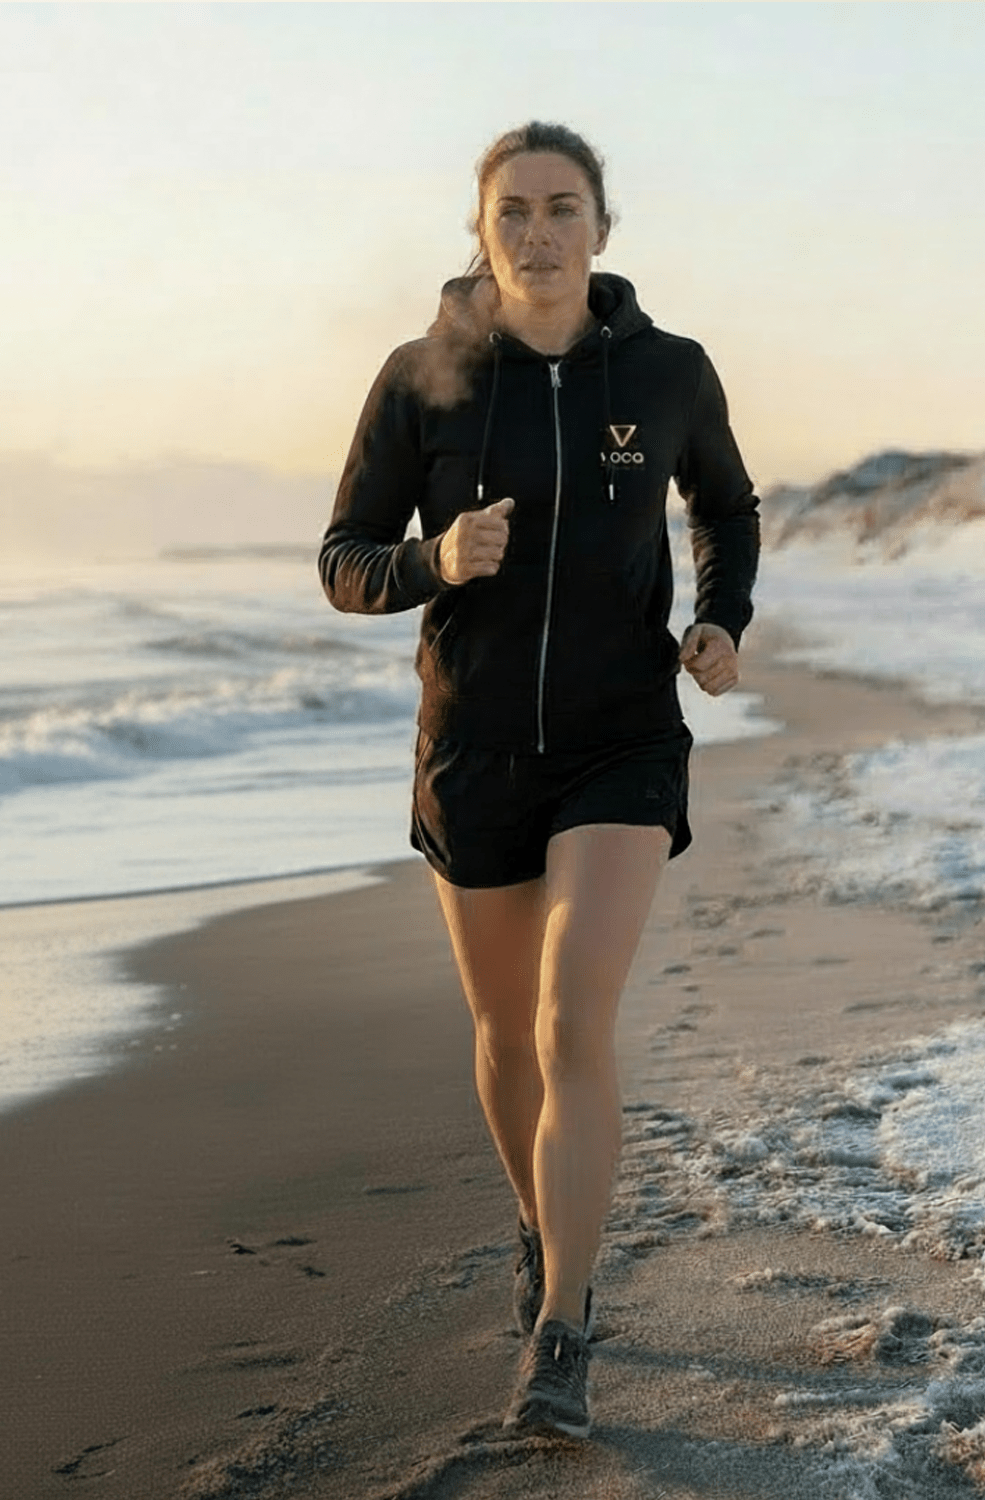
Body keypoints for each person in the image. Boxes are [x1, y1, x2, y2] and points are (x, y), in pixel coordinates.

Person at [319, 121, 759, 1440]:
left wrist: (724, 618)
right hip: (475, 748)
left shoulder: (668, 372)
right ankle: (538, 1223)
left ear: (603, 231)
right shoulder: (423, 380)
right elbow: (345, 559)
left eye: (563, 209)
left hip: (623, 739)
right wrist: (434, 561)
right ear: (483, 231)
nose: (537, 234)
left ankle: (564, 1325)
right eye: (512, 212)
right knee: (509, 1037)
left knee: (574, 1023)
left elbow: (725, 507)